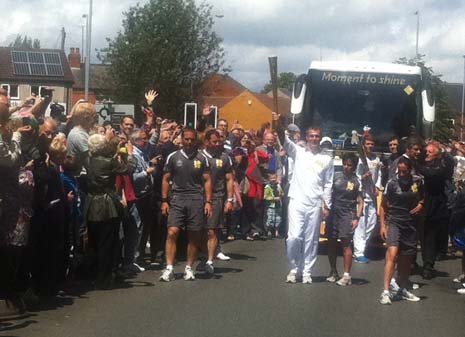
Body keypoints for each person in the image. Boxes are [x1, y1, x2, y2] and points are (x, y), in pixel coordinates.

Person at [274, 113, 334, 284]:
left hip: (315, 203)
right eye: (311, 136)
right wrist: (278, 122)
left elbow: (328, 184)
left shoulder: (326, 159)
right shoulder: (298, 152)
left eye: (317, 136)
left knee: (311, 239)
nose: (314, 139)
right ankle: (294, 268)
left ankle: (307, 270)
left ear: (320, 139)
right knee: (293, 237)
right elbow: (283, 139)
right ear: (306, 137)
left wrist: (326, 205)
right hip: (297, 200)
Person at [159, 128, 212, 282]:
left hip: (196, 199)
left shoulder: (202, 158)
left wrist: (208, 202)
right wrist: (164, 201)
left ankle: (189, 267)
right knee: (172, 232)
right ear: (181, 139)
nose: (189, 142)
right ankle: (169, 268)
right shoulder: (173, 157)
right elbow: (165, 178)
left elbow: (207, 180)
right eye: (186, 139)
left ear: (196, 140)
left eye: (192, 139)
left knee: (194, 235)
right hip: (177, 198)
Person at [85, 134, 135, 289]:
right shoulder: (109, 162)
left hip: (91, 202)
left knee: (94, 242)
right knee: (107, 243)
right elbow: (129, 169)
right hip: (106, 205)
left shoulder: (88, 161)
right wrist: (130, 154)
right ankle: (104, 278)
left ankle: (93, 276)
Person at [379, 157, 424, 305]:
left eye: (405, 171)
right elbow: (383, 206)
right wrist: (382, 225)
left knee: (406, 258)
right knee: (392, 254)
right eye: (400, 171)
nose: (402, 174)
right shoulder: (392, 183)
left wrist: (421, 204)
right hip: (394, 221)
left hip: (410, 223)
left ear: (410, 170)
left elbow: (424, 197)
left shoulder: (418, 181)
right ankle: (385, 291)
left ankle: (402, 288)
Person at [326, 152, 363, 286]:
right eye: (345, 164)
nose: (346, 167)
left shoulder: (356, 181)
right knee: (331, 242)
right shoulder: (335, 176)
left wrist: (357, 218)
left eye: (349, 165)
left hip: (347, 213)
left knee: (346, 243)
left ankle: (346, 275)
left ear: (354, 167)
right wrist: (325, 208)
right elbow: (327, 193)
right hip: (333, 212)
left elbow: (360, 201)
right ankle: (333, 271)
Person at [201, 129, 234, 273]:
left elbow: (229, 179)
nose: (217, 144)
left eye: (219, 141)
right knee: (197, 230)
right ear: (207, 142)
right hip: (198, 197)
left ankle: (209, 261)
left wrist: (230, 199)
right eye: (214, 142)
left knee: (211, 230)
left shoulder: (225, 157)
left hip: (217, 197)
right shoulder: (198, 156)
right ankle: (200, 257)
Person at [419, 142, 454, 279]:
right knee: (421, 234)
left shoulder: (441, 166)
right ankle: (419, 262)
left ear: (438, 154)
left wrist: (444, 150)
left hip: (435, 204)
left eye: (430, 152)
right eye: (426, 151)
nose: (427, 154)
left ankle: (428, 265)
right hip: (420, 202)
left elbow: (431, 174)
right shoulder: (422, 163)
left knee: (431, 236)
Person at [353, 134, 382, 263]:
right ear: (363, 145)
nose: (370, 146)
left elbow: (379, 174)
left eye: (372, 144)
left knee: (372, 222)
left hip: (372, 194)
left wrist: (377, 186)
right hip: (362, 195)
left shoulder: (376, 159)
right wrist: (363, 177)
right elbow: (355, 177)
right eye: (368, 144)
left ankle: (363, 245)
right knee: (361, 224)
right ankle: (359, 252)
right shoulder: (360, 160)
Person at [263, 173, 284, 238]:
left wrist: (281, 194)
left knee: (278, 218)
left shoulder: (278, 186)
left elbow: (282, 193)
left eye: (274, 178)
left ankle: (276, 232)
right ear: (269, 179)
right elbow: (265, 197)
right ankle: (269, 231)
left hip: (278, 205)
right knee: (270, 218)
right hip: (271, 206)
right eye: (272, 178)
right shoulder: (267, 187)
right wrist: (273, 198)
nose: (273, 180)